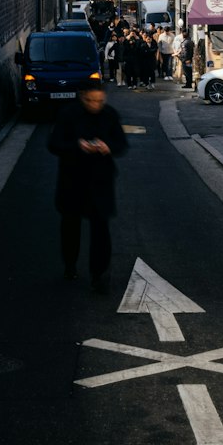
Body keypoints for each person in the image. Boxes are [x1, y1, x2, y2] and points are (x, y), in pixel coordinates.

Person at [48, 86, 128, 291]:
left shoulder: (109, 115)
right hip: (72, 179)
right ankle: (70, 264)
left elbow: (121, 144)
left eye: (100, 101)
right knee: (70, 225)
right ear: (83, 98)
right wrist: (78, 146)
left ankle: (99, 274)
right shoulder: (68, 114)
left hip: (101, 180)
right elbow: (54, 143)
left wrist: (107, 146)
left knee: (101, 228)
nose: (96, 105)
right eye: (92, 100)